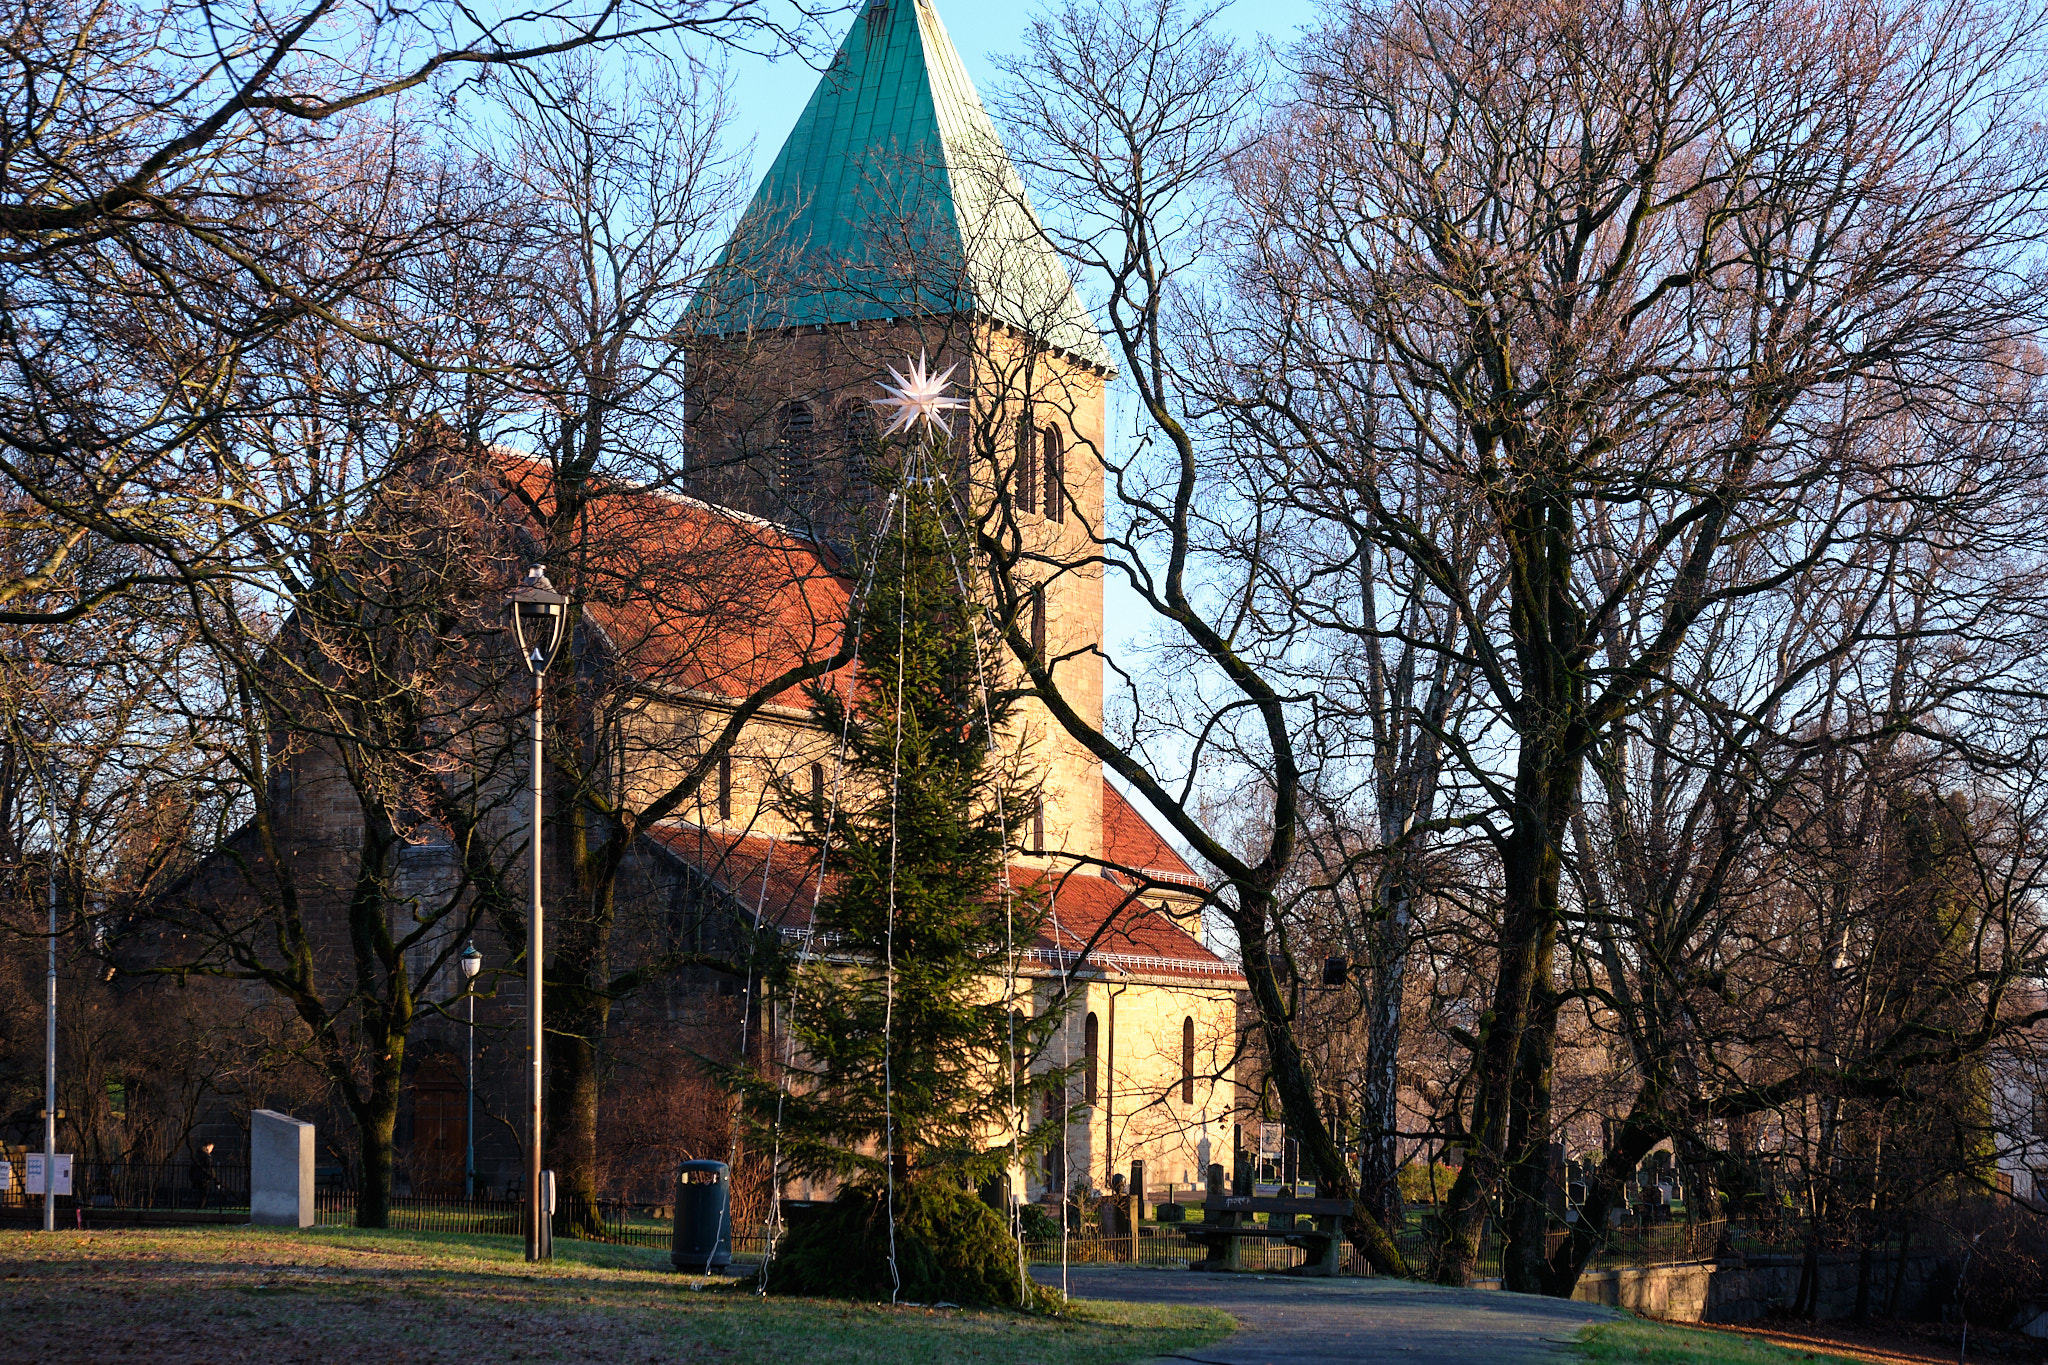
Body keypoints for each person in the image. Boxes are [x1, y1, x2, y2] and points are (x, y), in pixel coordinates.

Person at [190, 1142, 216, 1209]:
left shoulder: (197, 1155)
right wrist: (212, 1176)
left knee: (197, 1195)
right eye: (211, 1148)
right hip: (204, 1178)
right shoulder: (207, 1156)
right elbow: (209, 1168)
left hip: (196, 1178)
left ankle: (197, 1207)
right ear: (208, 1146)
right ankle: (201, 1207)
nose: (211, 1150)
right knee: (204, 1195)